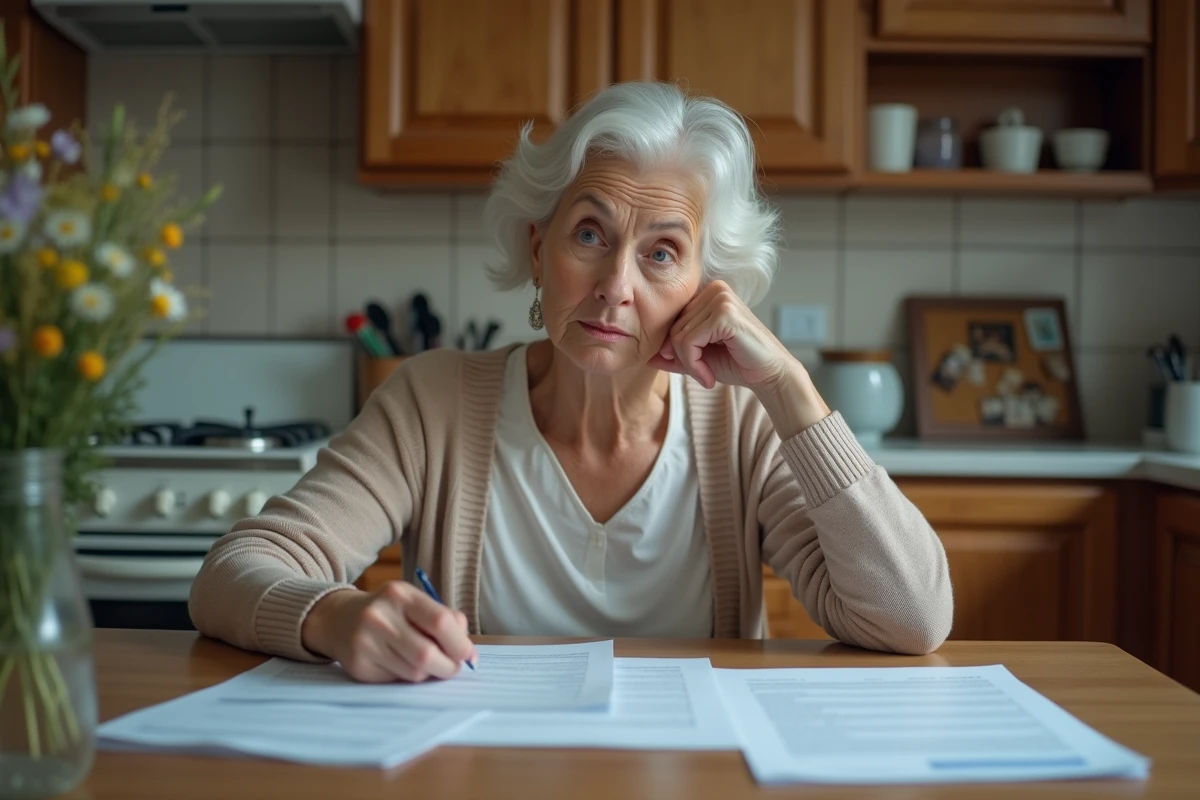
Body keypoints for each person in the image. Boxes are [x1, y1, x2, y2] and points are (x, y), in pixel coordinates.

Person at [189, 82, 953, 683]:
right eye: (590, 233)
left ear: (705, 285)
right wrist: (333, 617)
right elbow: (230, 575)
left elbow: (912, 620)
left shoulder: (744, 427)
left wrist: (789, 386)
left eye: (662, 253)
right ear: (537, 249)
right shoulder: (432, 403)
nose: (616, 285)